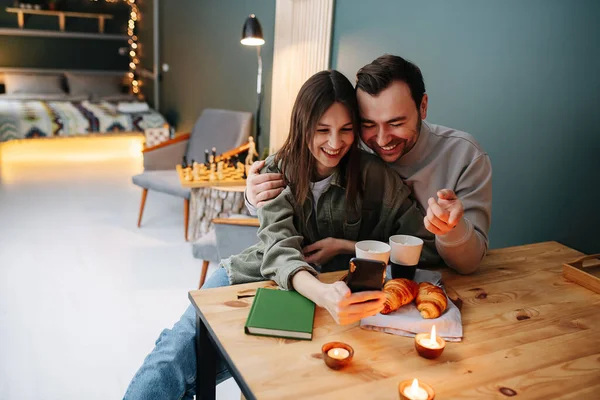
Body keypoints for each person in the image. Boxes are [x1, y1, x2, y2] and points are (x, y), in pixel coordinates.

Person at [124, 70, 433, 400]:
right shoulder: (274, 172)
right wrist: (323, 293)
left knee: (191, 375)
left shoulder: (376, 177)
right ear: (302, 126)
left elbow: (423, 248)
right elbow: (280, 249)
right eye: (322, 130)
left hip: (324, 301)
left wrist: (346, 246)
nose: (334, 143)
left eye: (345, 130)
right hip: (249, 277)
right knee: (171, 360)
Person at [246, 54, 492, 274]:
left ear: (423, 106)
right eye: (368, 124)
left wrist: (452, 229)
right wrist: (252, 196)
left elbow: (466, 263)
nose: (382, 140)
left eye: (395, 123)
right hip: (325, 275)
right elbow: (295, 168)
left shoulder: (464, 156)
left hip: (418, 277)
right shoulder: (347, 145)